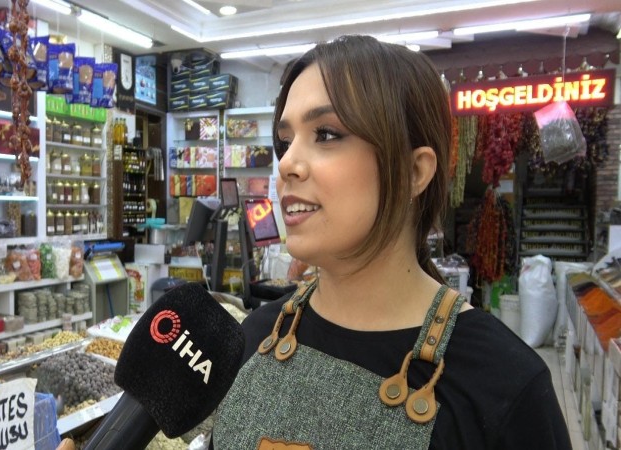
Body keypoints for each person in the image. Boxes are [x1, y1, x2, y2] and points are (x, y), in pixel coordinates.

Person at [211, 35, 571, 449]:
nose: (287, 164)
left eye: (325, 134)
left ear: (414, 172)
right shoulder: (257, 336)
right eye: (286, 141)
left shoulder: (503, 386)